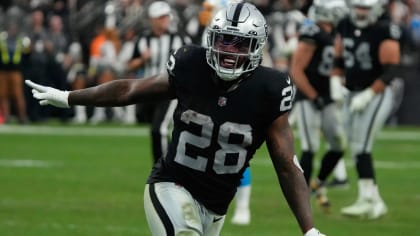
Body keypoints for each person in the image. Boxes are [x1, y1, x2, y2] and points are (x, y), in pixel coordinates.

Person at [26, 3, 324, 235]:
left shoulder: (270, 89)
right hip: (171, 184)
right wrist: (68, 97)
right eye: (223, 41)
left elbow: (286, 164)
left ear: (257, 47)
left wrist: (308, 229)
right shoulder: (190, 64)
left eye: (239, 44)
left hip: (216, 206)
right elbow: (129, 89)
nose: (228, 52)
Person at [330, 0, 401, 219]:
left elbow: (391, 70)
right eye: (358, 7)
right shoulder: (345, 24)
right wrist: (335, 83)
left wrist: (369, 94)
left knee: (361, 146)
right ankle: (373, 200)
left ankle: (367, 200)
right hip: (351, 91)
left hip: (376, 93)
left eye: (366, 8)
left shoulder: (384, 29)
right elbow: (339, 58)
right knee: (355, 145)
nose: (361, 12)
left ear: (376, 9)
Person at [290, 0, 348, 213]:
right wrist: (314, 96)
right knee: (310, 147)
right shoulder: (312, 32)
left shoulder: (336, 32)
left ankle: (319, 183)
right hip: (309, 97)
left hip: (328, 96)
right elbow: (296, 70)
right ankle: (301, 199)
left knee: (338, 144)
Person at [127, 1, 191, 163]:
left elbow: (194, 59)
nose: (164, 20)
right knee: (154, 128)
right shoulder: (143, 39)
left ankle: (163, 169)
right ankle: (172, 163)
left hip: (170, 90)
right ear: (152, 19)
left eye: (166, 17)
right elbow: (131, 64)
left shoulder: (179, 38)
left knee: (159, 130)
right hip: (149, 89)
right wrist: (142, 59)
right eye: (160, 17)